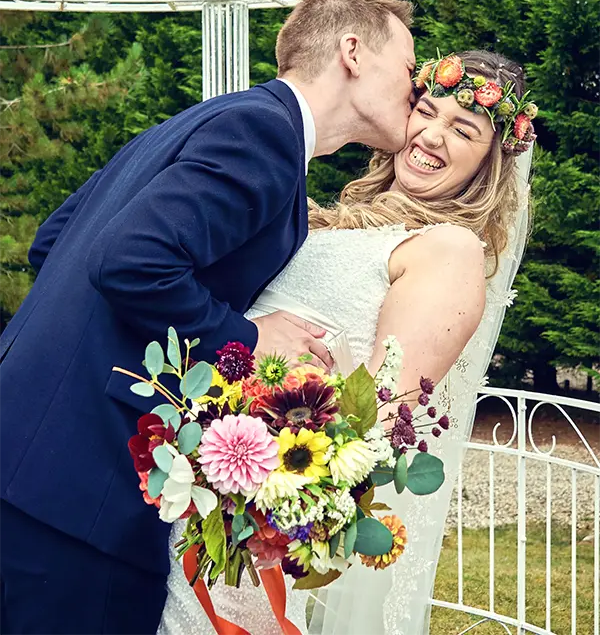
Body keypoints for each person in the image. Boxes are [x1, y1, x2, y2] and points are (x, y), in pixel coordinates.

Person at [0, 0, 417, 635]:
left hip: (27, 461)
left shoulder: (212, 118)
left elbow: (56, 240)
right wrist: (247, 335)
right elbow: (129, 260)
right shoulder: (264, 135)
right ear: (354, 51)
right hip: (79, 497)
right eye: (409, 64)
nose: (416, 85)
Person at [157, 50, 534, 634]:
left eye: (463, 130)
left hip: (248, 512)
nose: (431, 136)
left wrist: (268, 510)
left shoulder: (449, 249)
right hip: (192, 470)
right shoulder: (341, 218)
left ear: (490, 161)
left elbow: (383, 421)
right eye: (425, 111)